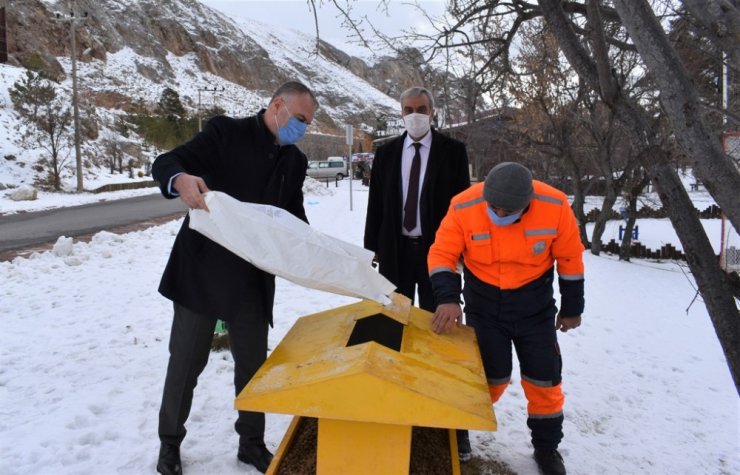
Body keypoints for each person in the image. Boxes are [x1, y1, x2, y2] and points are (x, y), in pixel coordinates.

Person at [152, 81, 319, 475]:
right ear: (276, 104)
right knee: (186, 365)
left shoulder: (293, 161)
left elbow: (293, 218)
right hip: (202, 275)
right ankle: (170, 444)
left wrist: (313, 249)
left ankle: (251, 444)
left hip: (252, 282)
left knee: (253, 368)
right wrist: (180, 180)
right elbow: (167, 161)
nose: (302, 129)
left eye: (307, 124)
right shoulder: (225, 133)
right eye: (299, 119)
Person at [428, 162, 585, 475]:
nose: (499, 215)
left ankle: (546, 448)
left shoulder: (554, 206)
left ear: (528, 202)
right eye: (494, 208)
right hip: (484, 308)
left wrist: (572, 308)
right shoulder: (464, 206)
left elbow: (569, 258)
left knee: (545, 380)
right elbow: (442, 254)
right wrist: (447, 299)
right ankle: (459, 429)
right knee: (488, 378)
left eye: (508, 210)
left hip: (535, 309)